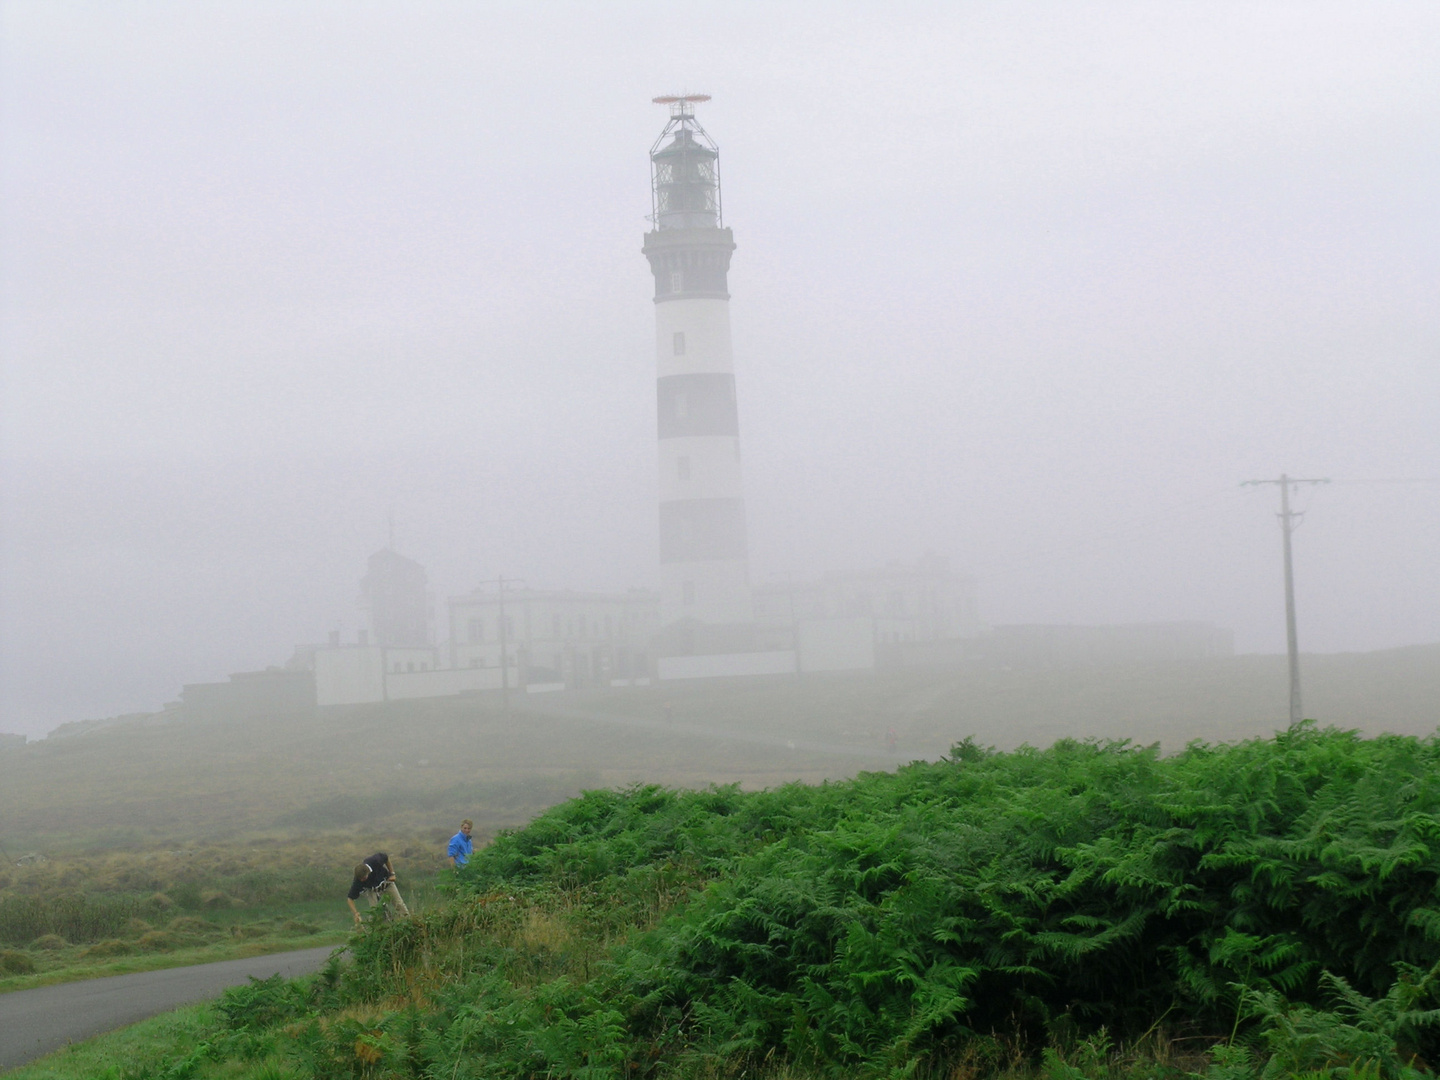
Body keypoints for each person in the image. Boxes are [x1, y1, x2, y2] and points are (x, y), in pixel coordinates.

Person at [346, 852, 410, 925]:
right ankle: (384, 929)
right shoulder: (358, 880)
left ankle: (407, 923)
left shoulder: (375, 861)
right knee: (376, 912)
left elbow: (386, 857)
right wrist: (356, 913)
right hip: (373, 890)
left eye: (363, 878)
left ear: (368, 872)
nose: (362, 881)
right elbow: (350, 899)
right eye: (360, 879)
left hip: (386, 883)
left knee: (399, 904)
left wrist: (392, 873)